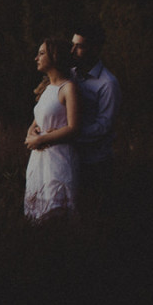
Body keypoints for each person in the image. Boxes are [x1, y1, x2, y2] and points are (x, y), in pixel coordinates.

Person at [24, 38, 81, 223]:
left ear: (54, 56)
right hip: (39, 160)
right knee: (38, 215)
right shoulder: (47, 88)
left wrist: (41, 139)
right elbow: (37, 120)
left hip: (58, 159)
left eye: (41, 53)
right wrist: (30, 134)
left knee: (57, 214)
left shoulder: (68, 88)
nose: (36, 58)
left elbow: (74, 128)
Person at [68, 27, 121, 210]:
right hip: (71, 158)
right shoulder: (71, 75)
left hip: (96, 164)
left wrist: (70, 134)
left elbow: (104, 125)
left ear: (95, 49)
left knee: (96, 212)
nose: (72, 51)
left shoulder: (108, 84)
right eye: (72, 45)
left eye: (79, 46)